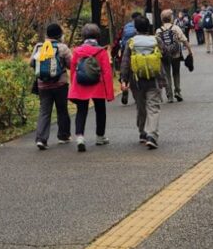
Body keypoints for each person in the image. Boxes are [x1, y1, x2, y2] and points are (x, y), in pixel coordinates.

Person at [120, 14, 167, 149]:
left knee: (141, 107)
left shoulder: (131, 42)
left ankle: (142, 132)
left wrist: (124, 79)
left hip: (136, 80)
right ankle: (152, 135)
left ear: (136, 28)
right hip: (154, 78)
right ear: (149, 27)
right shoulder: (156, 40)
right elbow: (165, 54)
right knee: (153, 107)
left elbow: (125, 62)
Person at [69, 23, 115, 151]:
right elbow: (107, 73)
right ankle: (100, 137)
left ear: (84, 36)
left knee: (81, 110)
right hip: (97, 85)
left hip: (81, 84)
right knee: (100, 110)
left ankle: (80, 137)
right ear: (97, 36)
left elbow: (73, 69)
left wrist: (73, 86)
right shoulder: (101, 51)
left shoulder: (77, 51)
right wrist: (109, 93)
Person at [30, 22, 73, 149]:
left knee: (44, 111)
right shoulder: (62, 48)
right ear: (59, 34)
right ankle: (63, 136)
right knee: (62, 110)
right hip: (60, 84)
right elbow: (71, 64)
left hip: (43, 85)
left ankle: (41, 139)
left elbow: (32, 63)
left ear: (47, 34)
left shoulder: (39, 46)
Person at [157, 8, 192, 102]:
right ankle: (177, 91)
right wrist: (190, 51)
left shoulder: (158, 30)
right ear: (171, 18)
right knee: (176, 73)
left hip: (164, 56)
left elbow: (156, 44)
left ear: (162, 19)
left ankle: (169, 96)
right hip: (176, 54)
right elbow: (184, 40)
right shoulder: (176, 28)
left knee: (167, 75)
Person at [117, 11, 143, 105]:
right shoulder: (140, 26)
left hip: (126, 51)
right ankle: (137, 95)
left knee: (125, 70)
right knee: (136, 74)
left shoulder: (126, 27)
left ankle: (124, 86)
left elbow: (119, 39)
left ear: (132, 18)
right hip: (137, 52)